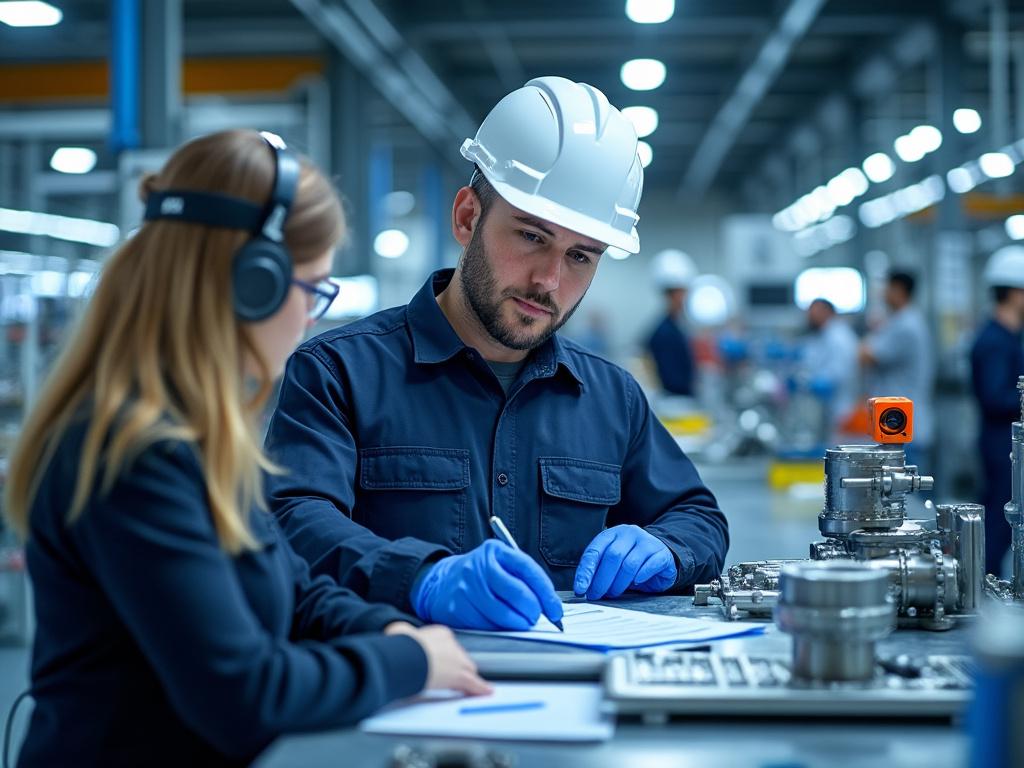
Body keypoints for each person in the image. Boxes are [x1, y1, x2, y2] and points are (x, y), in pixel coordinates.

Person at [4, 130, 487, 767]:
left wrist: (388, 629)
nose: (313, 318)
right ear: (251, 284)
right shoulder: (135, 452)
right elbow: (242, 693)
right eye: (313, 289)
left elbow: (295, 589)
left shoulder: (198, 433)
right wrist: (409, 661)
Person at [265, 77, 728, 632]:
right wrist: (420, 578)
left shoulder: (611, 397)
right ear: (467, 218)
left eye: (581, 255)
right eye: (532, 237)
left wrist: (665, 547)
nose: (549, 281)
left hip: (577, 699)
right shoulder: (340, 373)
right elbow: (294, 519)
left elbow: (699, 518)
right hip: (406, 689)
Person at [970, 245, 1024, 574]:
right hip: (1000, 443)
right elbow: (994, 397)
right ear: (1014, 293)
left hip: (1006, 442)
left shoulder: (1009, 338)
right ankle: (982, 588)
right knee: (1001, 521)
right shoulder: (994, 342)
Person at [859, 270, 935, 465]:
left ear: (898, 290)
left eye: (887, 288)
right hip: (900, 425)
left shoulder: (905, 325)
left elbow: (866, 356)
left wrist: (872, 332)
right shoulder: (902, 321)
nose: (883, 293)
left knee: (904, 492)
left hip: (904, 429)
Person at [801, 298, 860, 440]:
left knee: (839, 445)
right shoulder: (825, 333)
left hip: (842, 407)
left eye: (814, 311)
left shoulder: (839, 336)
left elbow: (842, 370)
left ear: (827, 312)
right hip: (830, 407)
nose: (810, 315)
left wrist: (821, 382)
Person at [646, 249, 698, 396]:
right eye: (682, 292)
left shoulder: (676, 326)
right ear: (672, 295)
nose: (686, 297)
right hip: (674, 402)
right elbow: (671, 378)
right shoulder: (664, 332)